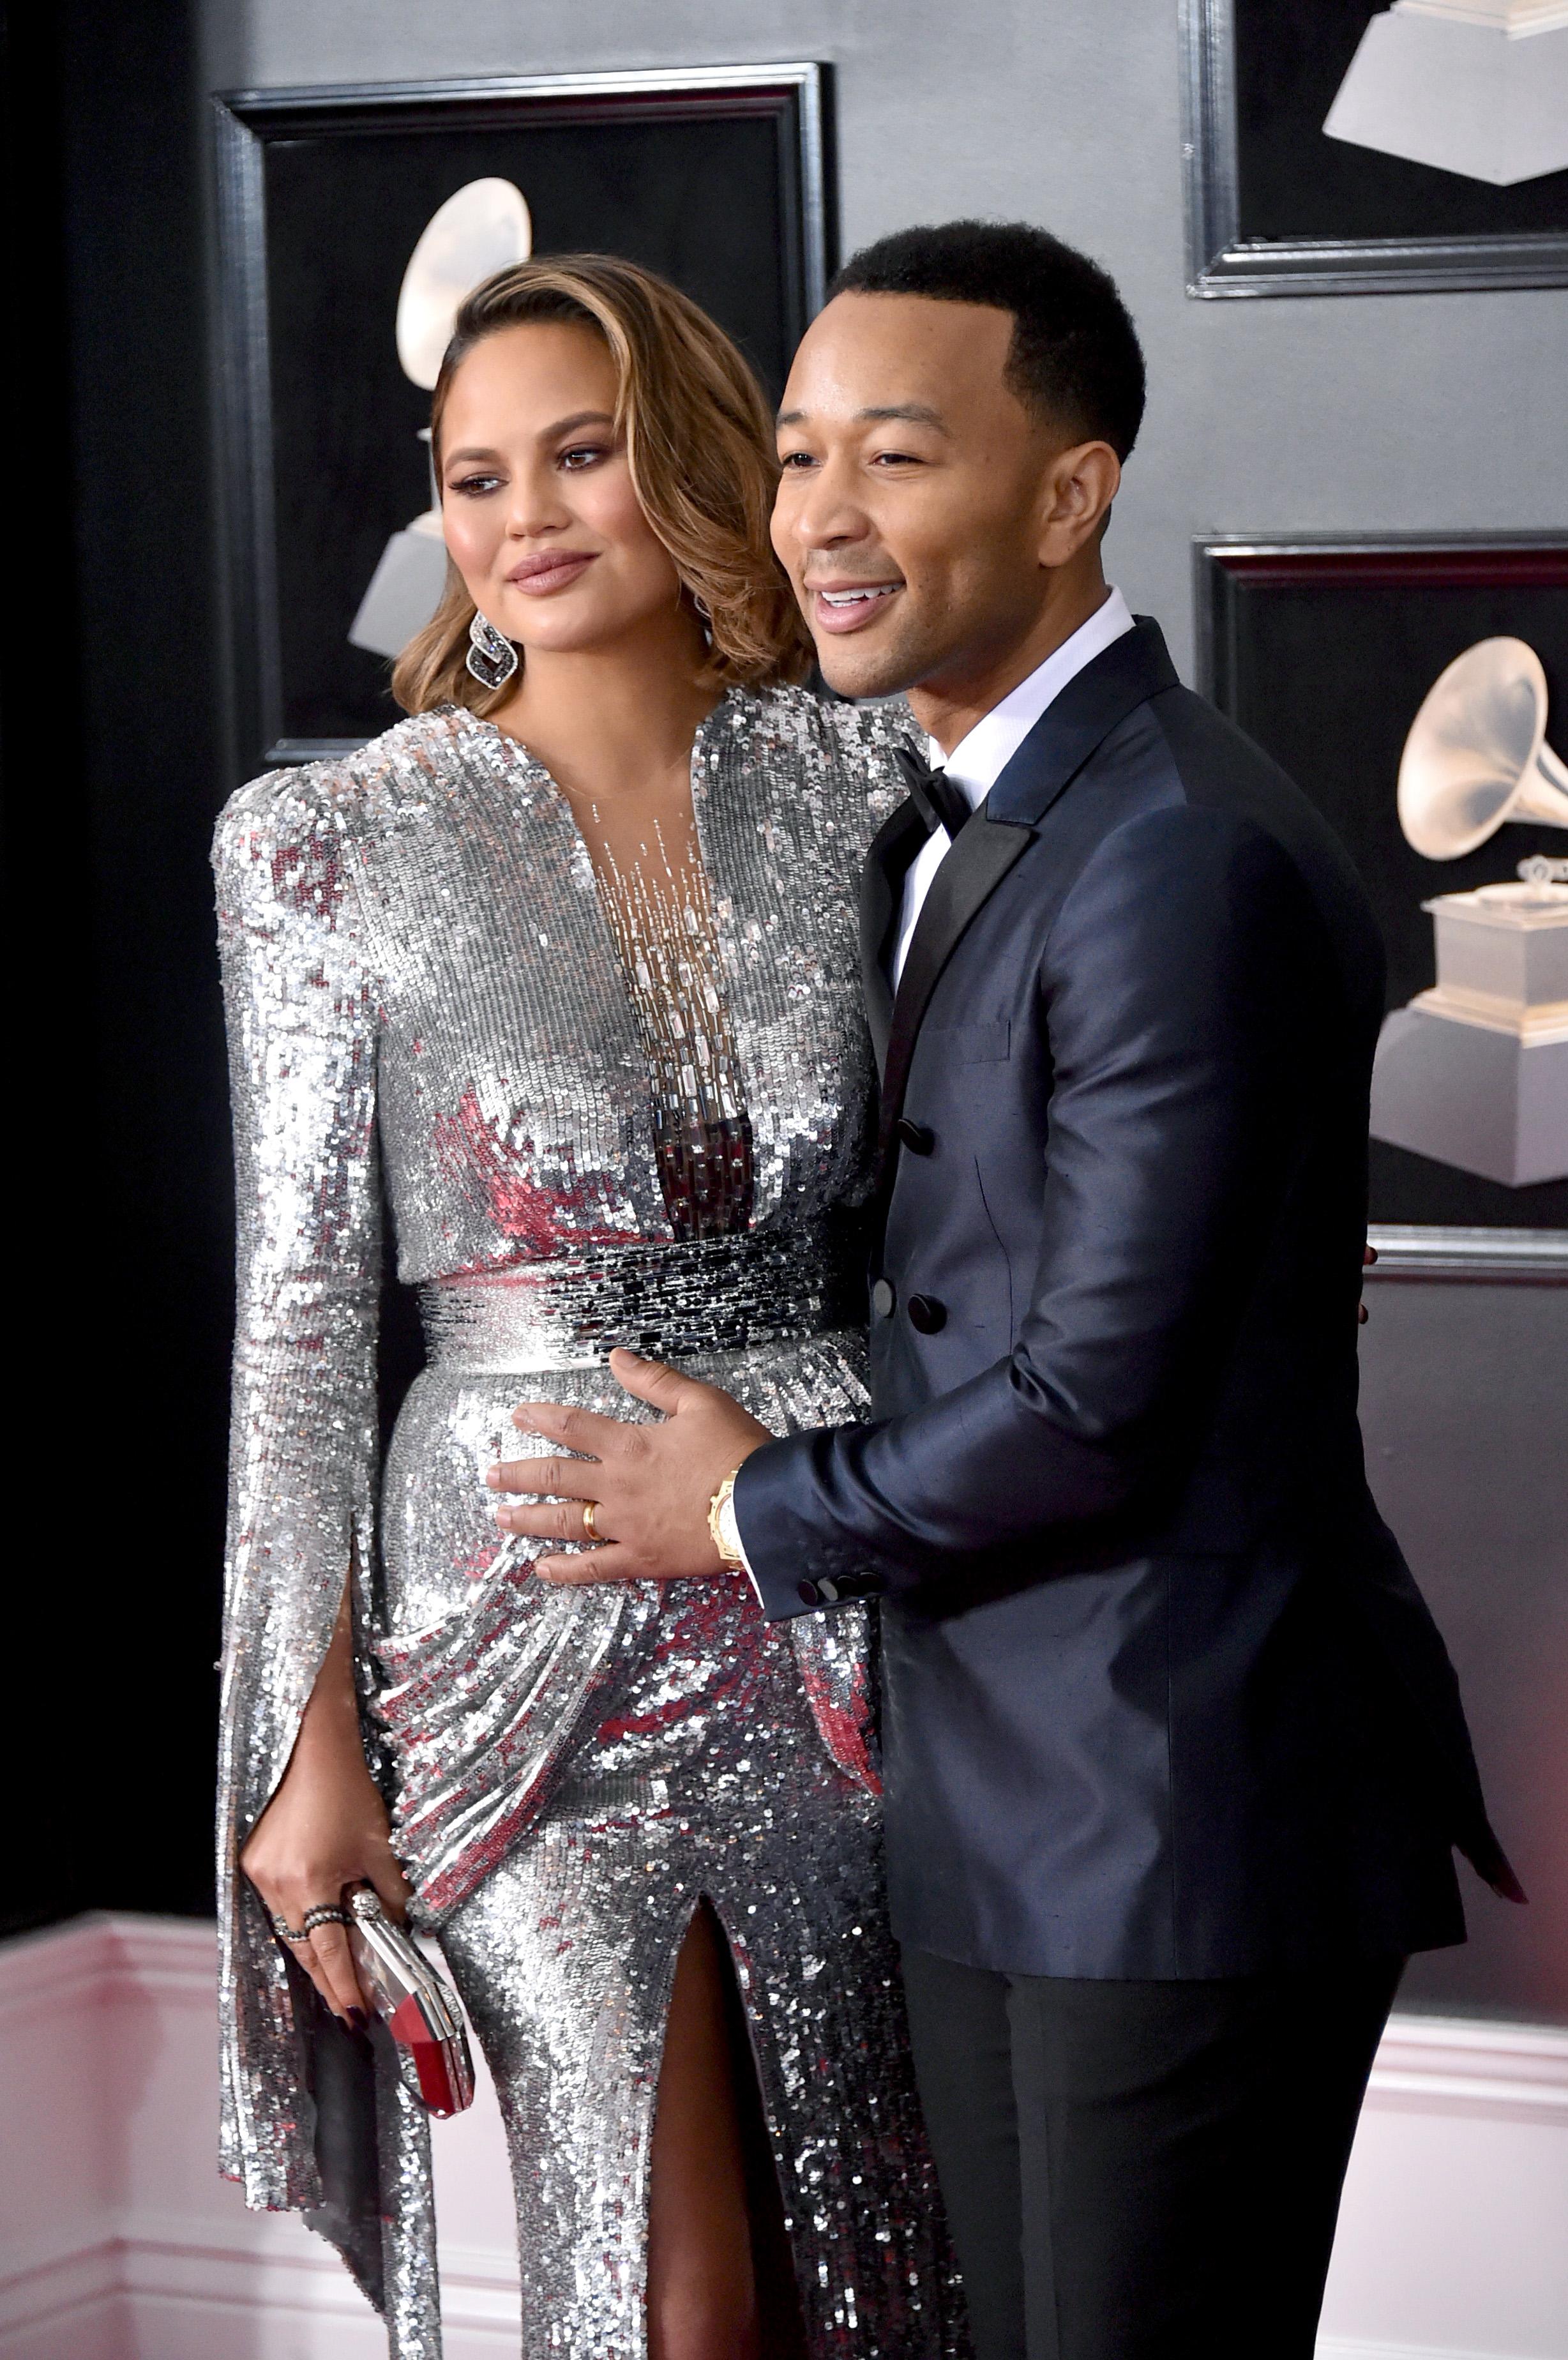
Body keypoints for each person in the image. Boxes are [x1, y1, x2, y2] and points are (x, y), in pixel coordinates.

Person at [488, 222, 1522, 2360]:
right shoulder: (951, 804)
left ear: (1070, 494)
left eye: (895, 456)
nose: (822, 521)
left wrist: (744, 1507)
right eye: (792, 460)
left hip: (1176, 1809)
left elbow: (1095, 1404)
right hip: (999, 1793)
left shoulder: (1176, 853)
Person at [213, 252, 969, 2360]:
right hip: (517, 1598)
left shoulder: (871, 789)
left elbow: (958, 1183)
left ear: (692, 466)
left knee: (880, 2246)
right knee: (663, 2283)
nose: (522, 516)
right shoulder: (325, 842)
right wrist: (299, 1746)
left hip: (830, 1576)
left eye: (582, 452)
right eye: (474, 476)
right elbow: (293, 1335)